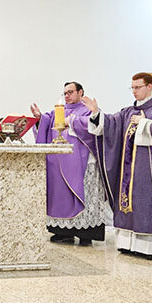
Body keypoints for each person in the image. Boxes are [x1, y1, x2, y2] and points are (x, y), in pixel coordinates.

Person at [82, 72, 152, 260]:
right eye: (132, 88)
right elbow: (110, 124)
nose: (134, 91)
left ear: (150, 86)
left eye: (138, 87)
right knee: (129, 204)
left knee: (148, 203)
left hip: (150, 169)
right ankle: (128, 243)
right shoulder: (127, 111)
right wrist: (96, 113)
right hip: (128, 171)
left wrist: (145, 124)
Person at [31, 81, 107, 246]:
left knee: (85, 194)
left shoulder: (87, 110)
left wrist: (72, 121)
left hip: (83, 163)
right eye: (65, 93)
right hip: (58, 165)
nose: (67, 96)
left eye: (71, 92)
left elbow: (95, 127)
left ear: (80, 93)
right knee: (60, 196)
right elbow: (46, 123)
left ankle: (85, 233)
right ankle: (63, 232)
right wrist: (39, 118)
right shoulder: (57, 112)